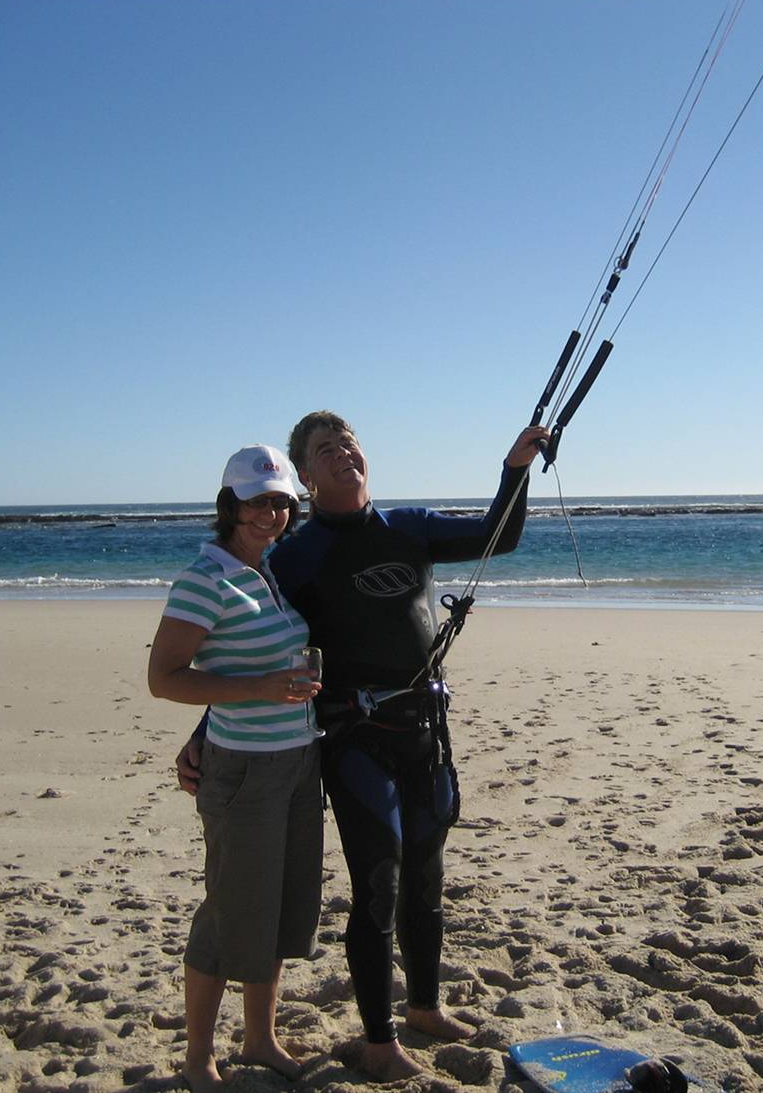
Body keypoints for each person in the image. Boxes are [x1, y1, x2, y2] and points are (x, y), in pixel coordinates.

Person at [177, 412, 548, 1079]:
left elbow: (500, 534)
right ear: (306, 478)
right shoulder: (295, 556)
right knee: (378, 882)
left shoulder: (412, 525)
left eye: (347, 442)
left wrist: (514, 470)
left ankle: (425, 1007)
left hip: (425, 730)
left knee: (427, 878)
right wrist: (203, 730)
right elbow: (262, 650)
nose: (342, 452)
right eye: (325, 450)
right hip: (355, 738)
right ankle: (379, 1041)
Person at [148, 443, 324, 1092]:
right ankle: (198, 1058)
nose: (270, 514)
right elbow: (164, 678)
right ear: (229, 505)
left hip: (298, 760)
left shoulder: (265, 568)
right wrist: (259, 689)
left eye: (281, 502)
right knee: (228, 914)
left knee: (275, 908)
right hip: (244, 769)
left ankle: (259, 1037)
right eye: (257, 502)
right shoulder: (206, 579)